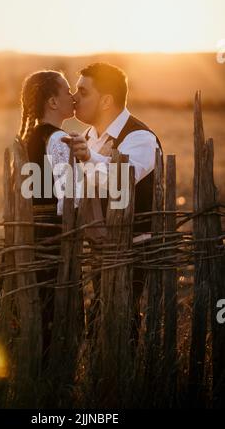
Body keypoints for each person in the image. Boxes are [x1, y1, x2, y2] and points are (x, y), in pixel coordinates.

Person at [63, 62, 163, 346]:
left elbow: (121, 181)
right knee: (101, 324)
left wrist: (86, 159)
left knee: (120, 325)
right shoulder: (88, 138)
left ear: (106, 100)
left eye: (82, 91)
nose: (74, 97)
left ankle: (125, 385)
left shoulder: (140, 137)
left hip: (133, 250)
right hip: (100, 249)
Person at [16, 70, 75, 367]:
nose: (73, 96)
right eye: (67, 90)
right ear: (53, 101)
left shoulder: (30, 136)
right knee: (54, 305)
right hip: (53, 234)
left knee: (36, 303)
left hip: (31, 231)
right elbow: (68, 196)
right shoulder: (58, 139)